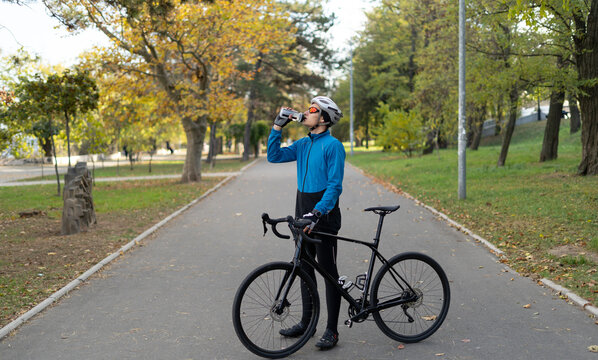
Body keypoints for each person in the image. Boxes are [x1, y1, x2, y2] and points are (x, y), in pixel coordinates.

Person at [267, 96, 345, 350]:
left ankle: (331, 330)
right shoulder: (303, 144)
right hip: (302, 212)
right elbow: (274, 156)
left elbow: (334, 186)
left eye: (312, 110)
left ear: (323, 118)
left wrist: (318, 212)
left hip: (324, 216)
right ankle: (306, 323)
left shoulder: (333, 146)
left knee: (328, 273)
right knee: (303, 269)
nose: (305, 112)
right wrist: (277, 127)